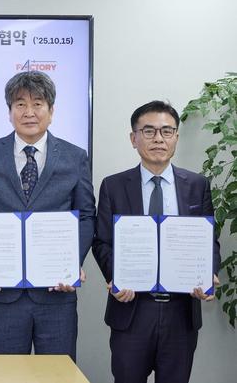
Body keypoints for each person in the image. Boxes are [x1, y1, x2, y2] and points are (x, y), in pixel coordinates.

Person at [0, 70, 95, 360]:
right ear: (9, 112)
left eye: (37, 104)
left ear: (51, 111)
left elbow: (86, 215)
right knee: (6, 376)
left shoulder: (75, 157)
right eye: (20, 104)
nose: (29, 112)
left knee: (57, 376)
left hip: (56, 293)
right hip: (2, 293)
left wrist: (72, 263)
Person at [92, 100, 221, 383]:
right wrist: (117, 276)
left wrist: (209, 274)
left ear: (176, 137)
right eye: (149, 131)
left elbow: (208, 240)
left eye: (166, 131)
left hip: (181, 313)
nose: (158, 139)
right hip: (131, 311)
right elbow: (102, 241)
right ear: (133, 138)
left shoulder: (197, 185)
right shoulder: (113, 185)